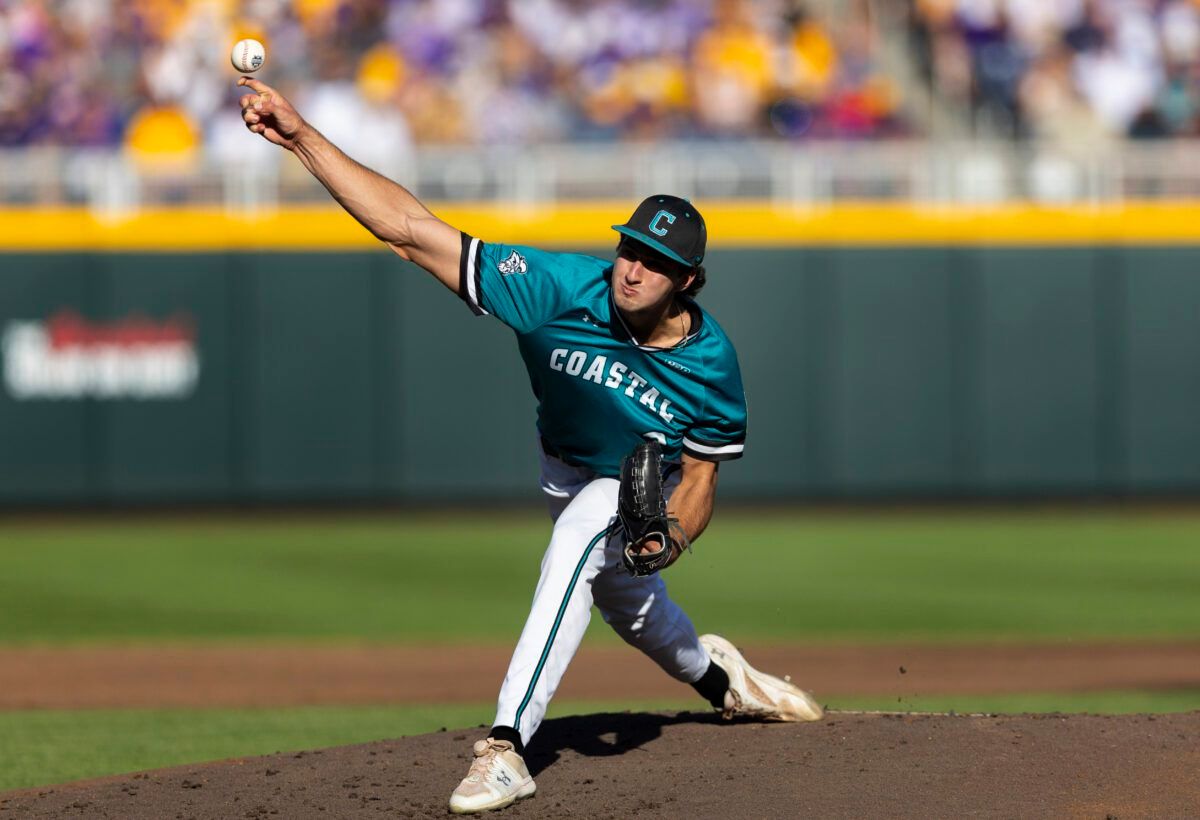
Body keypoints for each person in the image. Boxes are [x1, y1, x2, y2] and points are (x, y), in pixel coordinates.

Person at [237, 75, 823, 816]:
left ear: (689, 281)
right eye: (628, 248)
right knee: (633, 611)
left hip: (633, 492)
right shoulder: (557, 288)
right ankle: (722, 680)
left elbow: (702, 478)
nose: (633, 268)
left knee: (582, 539)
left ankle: (507, 745)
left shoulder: (712, 363)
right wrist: (302, 140)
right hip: (561, 467)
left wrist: (669, 536)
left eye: (654, 262)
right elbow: (411, 231)